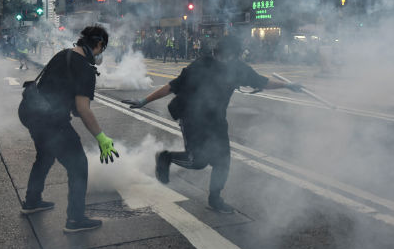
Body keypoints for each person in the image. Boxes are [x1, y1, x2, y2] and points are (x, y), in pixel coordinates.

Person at [122, 36, 302, 213]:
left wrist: (287, 85)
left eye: (233, 56)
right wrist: (144, 100)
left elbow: (262, 81)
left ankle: (215, 199)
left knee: (223, 161)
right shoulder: (201, 65)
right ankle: (165, 158)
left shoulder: (237, 68)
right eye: (225, 55)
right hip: (192, 117)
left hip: (217, 120)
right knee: (198, 162)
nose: (228, 59)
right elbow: (171, 86)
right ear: (219, 52)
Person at [18, 25, 119, 233]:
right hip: (51, 121)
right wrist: (102, 138)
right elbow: (83, 109)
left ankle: (32, 201)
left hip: (31, 113)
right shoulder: (85, 69)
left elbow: (55, 88)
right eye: (102, 49)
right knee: (79, 167)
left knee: (45, 156)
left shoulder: (62, 55)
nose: (101, 54)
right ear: (99, 44)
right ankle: (75, 219)